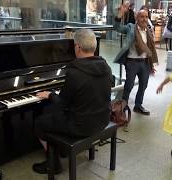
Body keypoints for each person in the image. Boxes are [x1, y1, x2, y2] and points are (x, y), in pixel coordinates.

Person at [32, 29, 112, 174]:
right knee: (55, 115)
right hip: (102, 119)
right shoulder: (106, 67)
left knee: (40, 122)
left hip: (81, 126)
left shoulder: (75, 72)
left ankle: (53, 163)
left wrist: (49, 94)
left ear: (77, 47)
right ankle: (60, 148)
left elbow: (61, 104)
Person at [114, 4, 158, 115]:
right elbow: (117, 28)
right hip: (132, 62)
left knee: (143, 85)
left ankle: (138, 105)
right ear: (137, 18)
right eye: (142, 17)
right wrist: (120, 14)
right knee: (128, 85)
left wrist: (151, 65)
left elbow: (150, 49)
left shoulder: (148, 31)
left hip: (144, 63)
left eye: (146, 17)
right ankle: (123, 107)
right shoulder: (130, 27)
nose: (144, 19)